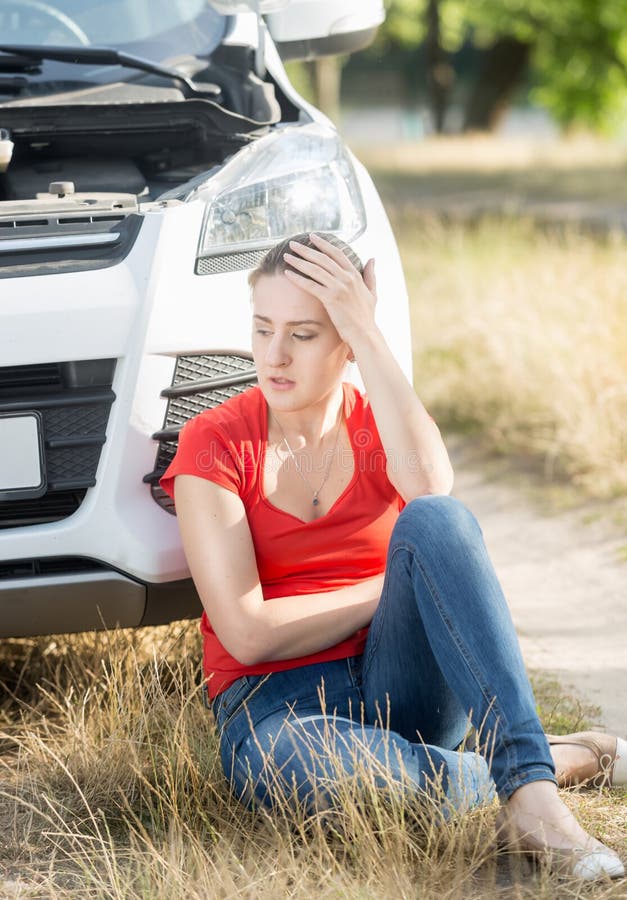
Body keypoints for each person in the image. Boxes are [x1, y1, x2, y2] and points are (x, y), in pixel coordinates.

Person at [160, 232, 626, 882]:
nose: (273, 355)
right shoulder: (213, 443)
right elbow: (248, 633)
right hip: (277, 710)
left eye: (304, 333)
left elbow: (433, 496)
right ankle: (555, 762)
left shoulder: (379, 423)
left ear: (345, 342)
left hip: (402, 681)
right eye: (262, 328)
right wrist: (390, 588)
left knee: (436, 518)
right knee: (363, 785)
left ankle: (531, 796)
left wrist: (367, 330)